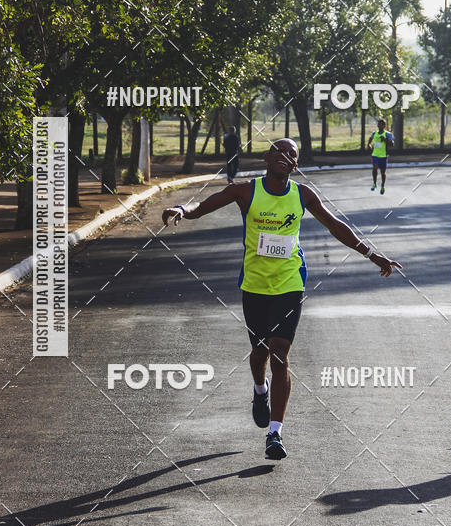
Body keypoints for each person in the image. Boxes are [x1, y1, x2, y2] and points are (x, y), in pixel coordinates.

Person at [162, 139, 402, 461]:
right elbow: (202, 208)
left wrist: (372, 255)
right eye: (279, 151)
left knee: (280, 354)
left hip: (290, 283)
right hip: (255, 285)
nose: (285, 157)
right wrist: (180, 209)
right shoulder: (246, 191)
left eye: (292, 155)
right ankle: (259, 392)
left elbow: (336, 226)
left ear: (295, 165)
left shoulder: (303, 195)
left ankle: (274, 433)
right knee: (259, 352)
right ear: (266, 157)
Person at [367, 119, 394, 194]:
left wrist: (385, 140)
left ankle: (382, 186)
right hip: (375, 154)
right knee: (374, 168)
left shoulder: (388, 134)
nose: (380, 126)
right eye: (379, 124)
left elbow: (392, 145)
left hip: (383, 156)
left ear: (384, 126)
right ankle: (374, 183)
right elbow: (369, 141)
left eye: (382, 124)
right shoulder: (374, 133)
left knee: (383, 172)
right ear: (377, 125)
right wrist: (369, 145)